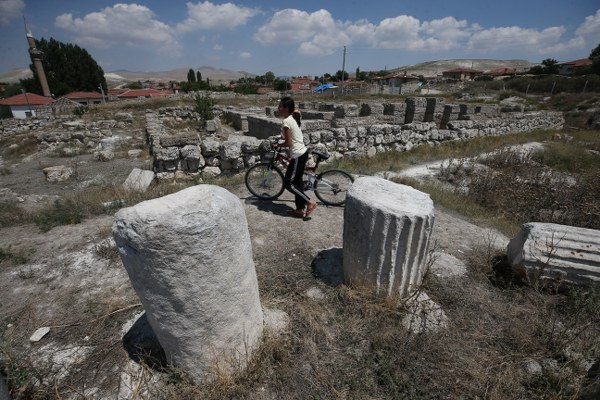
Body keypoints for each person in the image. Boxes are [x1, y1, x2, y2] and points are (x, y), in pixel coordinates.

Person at [275, 96, 317, 218]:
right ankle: (299, 210)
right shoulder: (293, 117)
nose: (278, 109)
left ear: (286, 108)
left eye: (280, 107)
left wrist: (278, 144)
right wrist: (284, 138)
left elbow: (289, 143)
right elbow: (292, 136)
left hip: (298, 154)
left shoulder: (286, 121)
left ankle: (310, 202)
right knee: (297, 183)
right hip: (302, 153)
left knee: (289, 183)